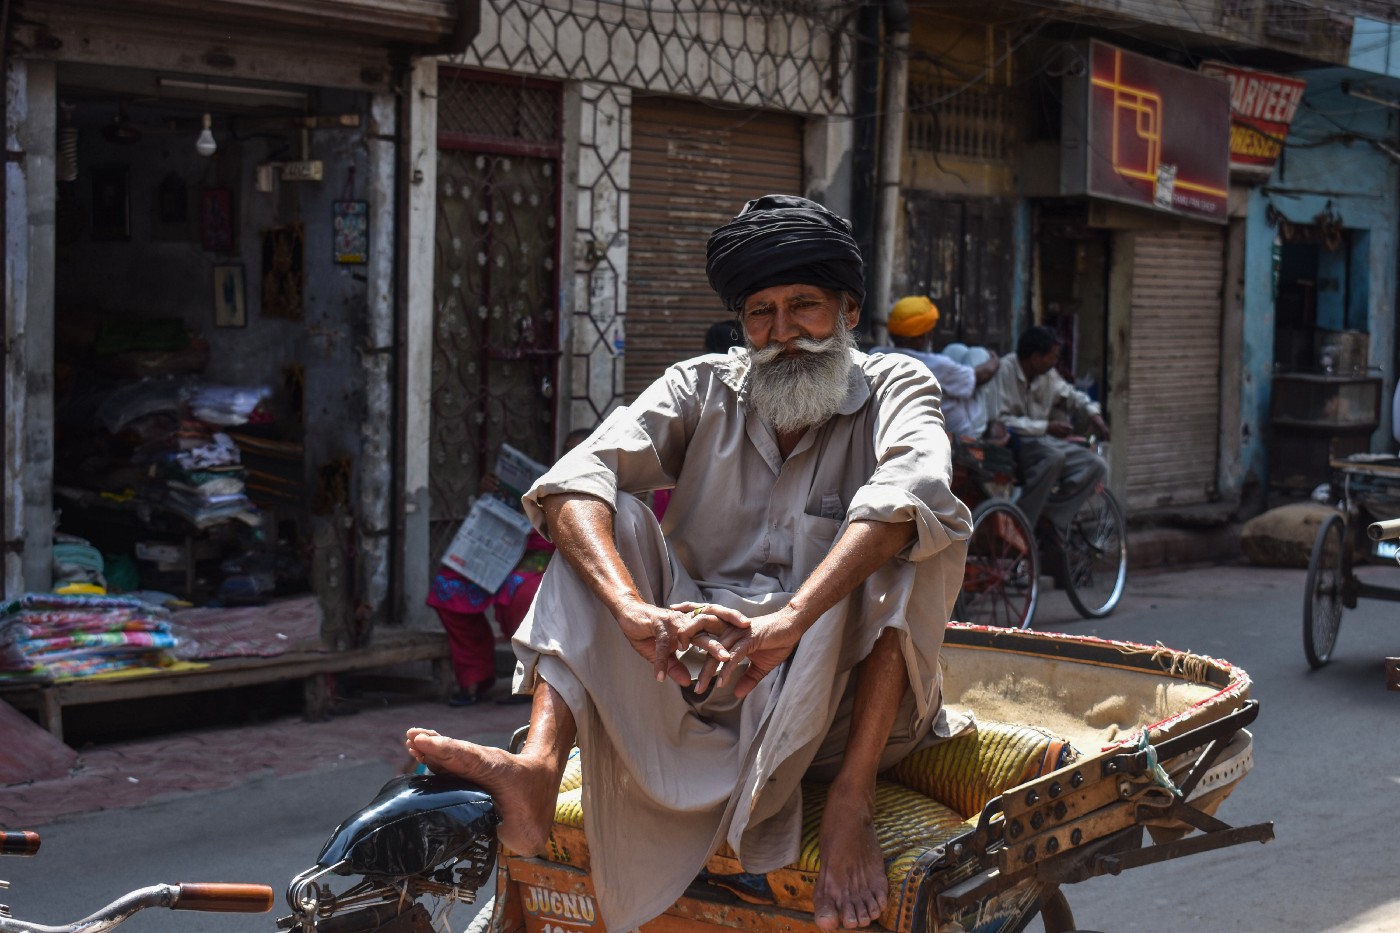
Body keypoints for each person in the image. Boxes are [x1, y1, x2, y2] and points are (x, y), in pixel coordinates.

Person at [404, 194, 972, 933]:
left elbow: (912, 491)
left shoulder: (898, 386)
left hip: (838, 705)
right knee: (598, 520)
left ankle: (850, 802)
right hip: (699, 682)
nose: (782, 332)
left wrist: (790, 621)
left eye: (804, 305)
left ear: (849, 312)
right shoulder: (702, 384)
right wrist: (635, 612)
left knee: (903, 536)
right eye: (760, 313)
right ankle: (538, 768)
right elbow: (577, 476)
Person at [426, 430, 591, 706]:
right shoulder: (545, 479)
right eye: (567, 450)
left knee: (519, 593)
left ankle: (534, 681)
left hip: (547, 556)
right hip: (503, 547)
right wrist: (489, 491)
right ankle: (475, 676)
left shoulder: (602, 485)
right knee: (450, 587)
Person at [988, 324, 1110, 540]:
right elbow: (1001, 420)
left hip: (1043, 441)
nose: (1055, 362)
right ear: (1035, 357)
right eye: (1052, 357)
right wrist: (1046, 427)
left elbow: (1070, 396)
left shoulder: (1048, 376)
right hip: (1016, 443)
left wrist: (1093, 414)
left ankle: (1051, 518)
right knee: (1054, 457)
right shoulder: (1005, 371)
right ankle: (1021, 524)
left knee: (1095, 465)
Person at [871, 295, 1000, 439]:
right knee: (979, 355)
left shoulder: (875, 354)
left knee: (955, 350)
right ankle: (993, 426)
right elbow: (981, 376)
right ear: (921, 338)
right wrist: (995, 359)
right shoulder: (935, 365)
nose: (931, 337)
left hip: (900, 424)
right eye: (929, 333)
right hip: (959, 432)